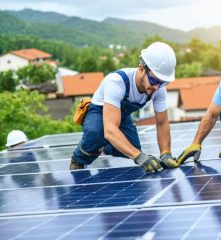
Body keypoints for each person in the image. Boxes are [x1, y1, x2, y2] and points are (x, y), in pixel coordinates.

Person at [70, 42, 179, 172]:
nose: (157, 87)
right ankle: (78, 159)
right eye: (154, 81)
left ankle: (107, 145)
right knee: (97, 133)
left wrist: (165, 153)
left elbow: (162, 123)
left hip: (122, 116)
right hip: (99, 112)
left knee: (133, 147)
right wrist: (138, 156)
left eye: (162, 82)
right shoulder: (116, 82)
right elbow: (110, 129)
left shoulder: (158, 89)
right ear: (141, 69)